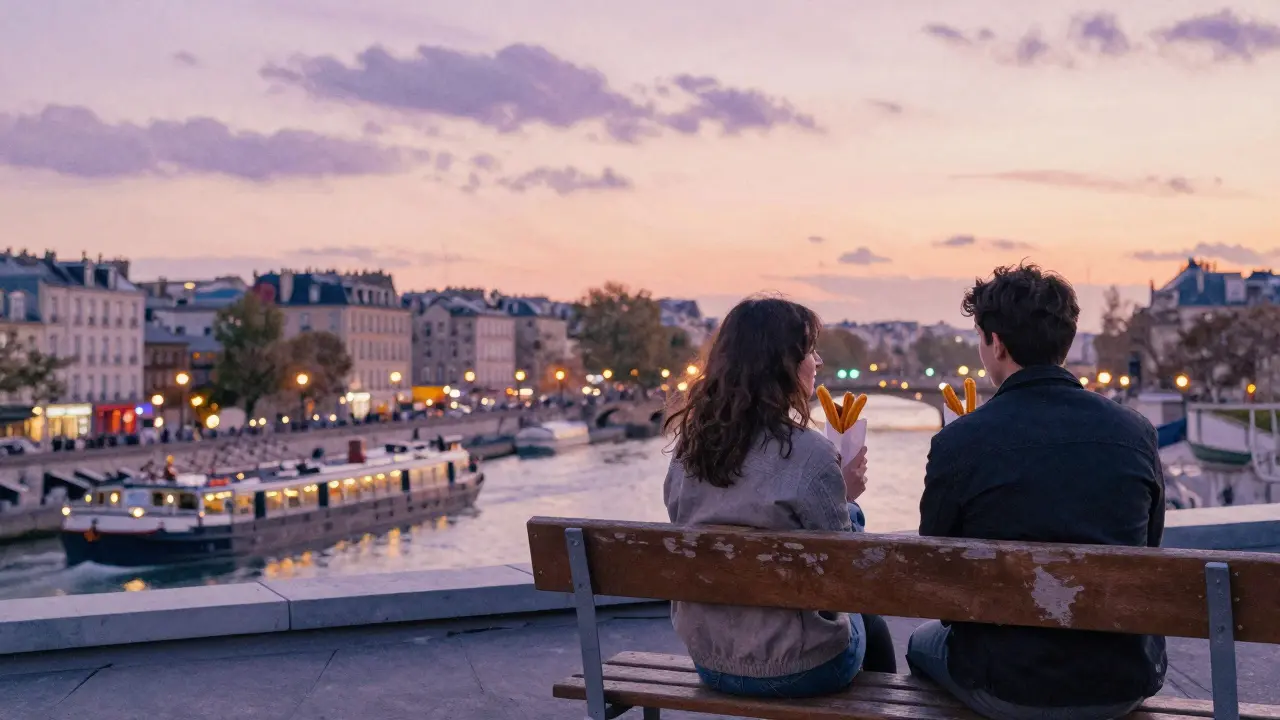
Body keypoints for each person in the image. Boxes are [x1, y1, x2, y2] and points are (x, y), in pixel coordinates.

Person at [908, 264, 1166, 719]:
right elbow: (1148, 545)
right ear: (1065, 342)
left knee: (919, 644)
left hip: (1007, 683)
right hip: (1122, 679)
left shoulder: (960, 442)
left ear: (997, 344)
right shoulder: (1136, 432)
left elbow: (937, 576)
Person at [663, 296, 896, 700]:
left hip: (711, 660)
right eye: (809, 351)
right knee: (869, 621)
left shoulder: (687, 451)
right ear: (783, 365)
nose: (818, 362)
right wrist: (849, 497)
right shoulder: (811, 454)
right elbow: (847, 570)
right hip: (798, 665)